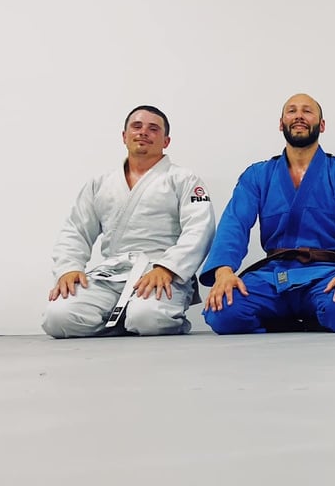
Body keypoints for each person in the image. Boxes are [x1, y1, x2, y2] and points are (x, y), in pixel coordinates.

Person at [200, 93, 335, 333]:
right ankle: (289, 322)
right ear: (281, 123)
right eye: (292, 111)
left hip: (326, 274)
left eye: (307, 111)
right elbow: (234, 224)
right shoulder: (257, 175)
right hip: (273, 275)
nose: (299, 116)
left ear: (322, 125)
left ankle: (297, 319)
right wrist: (224, 271)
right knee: (222, 311)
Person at [42, 106, 216, 338]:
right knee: (57, 317)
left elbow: (200, 228)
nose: (143, 132)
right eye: (137, 126)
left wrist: (168, 267)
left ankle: (138, 319)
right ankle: (124, 322)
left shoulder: (184, 179)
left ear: (166, 141)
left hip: (159, 272)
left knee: (147, 318)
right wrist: (69, 268)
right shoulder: (100, 183)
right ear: (124, 136)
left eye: (153, 129)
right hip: (111, 273)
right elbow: (76, 230)